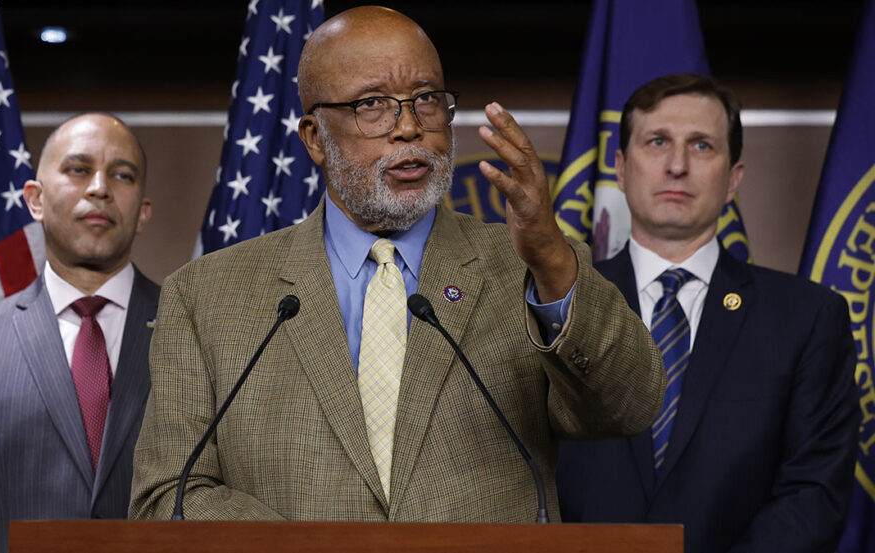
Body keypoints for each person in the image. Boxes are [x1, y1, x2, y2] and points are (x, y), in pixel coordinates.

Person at [129, 6, 665, 523]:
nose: (409, 127)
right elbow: (168, 497)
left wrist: (549, 257)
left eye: (426, 99)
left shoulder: (526, 268)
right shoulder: (206, 295)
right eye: (373, 105)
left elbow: (631, 406)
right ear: (314, 138)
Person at [557, 74, 859, 553]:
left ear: (733, 178)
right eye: (657, 142)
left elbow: (814, 495)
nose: (677, 166)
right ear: (621, 168)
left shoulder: (807, 318)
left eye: (701, 145)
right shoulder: (560, 304)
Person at [0, 112, 160, 552]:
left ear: (142, 212)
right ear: (35, 200)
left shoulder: (196, 333)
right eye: (78, 169)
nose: (100, 188)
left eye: (122, 175)